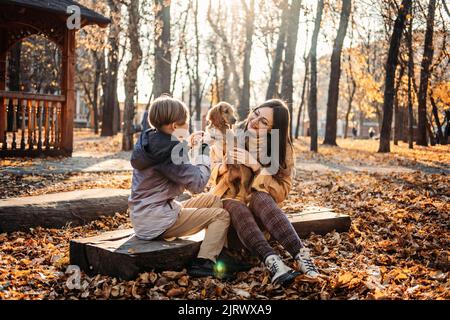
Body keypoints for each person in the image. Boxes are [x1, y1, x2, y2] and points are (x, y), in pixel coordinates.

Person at [210, 99, 321, 287]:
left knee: (259, 196)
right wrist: (223, 167)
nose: (254, 121)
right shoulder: (230, 135)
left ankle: (302, 257)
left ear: (273, 129)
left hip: (262, 215)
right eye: (255, 114)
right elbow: (210, 173)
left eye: (264, 122)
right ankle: (273, 262)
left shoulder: (281, 148)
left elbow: (282, 191)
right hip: (229, 213)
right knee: (235, 205)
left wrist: (254, 165)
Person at [128, 95, 233, 280]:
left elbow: (178, 170)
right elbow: (198, 184)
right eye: (186, 124)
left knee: (214, 200)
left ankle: (219, 254)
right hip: (157, 222)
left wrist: (187, 146)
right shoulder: (171, 152)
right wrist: (203, 150)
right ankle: (204, 263)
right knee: (221, 216)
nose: (188, 127)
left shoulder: (151, 141)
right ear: (174, 127)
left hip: (145, 215)